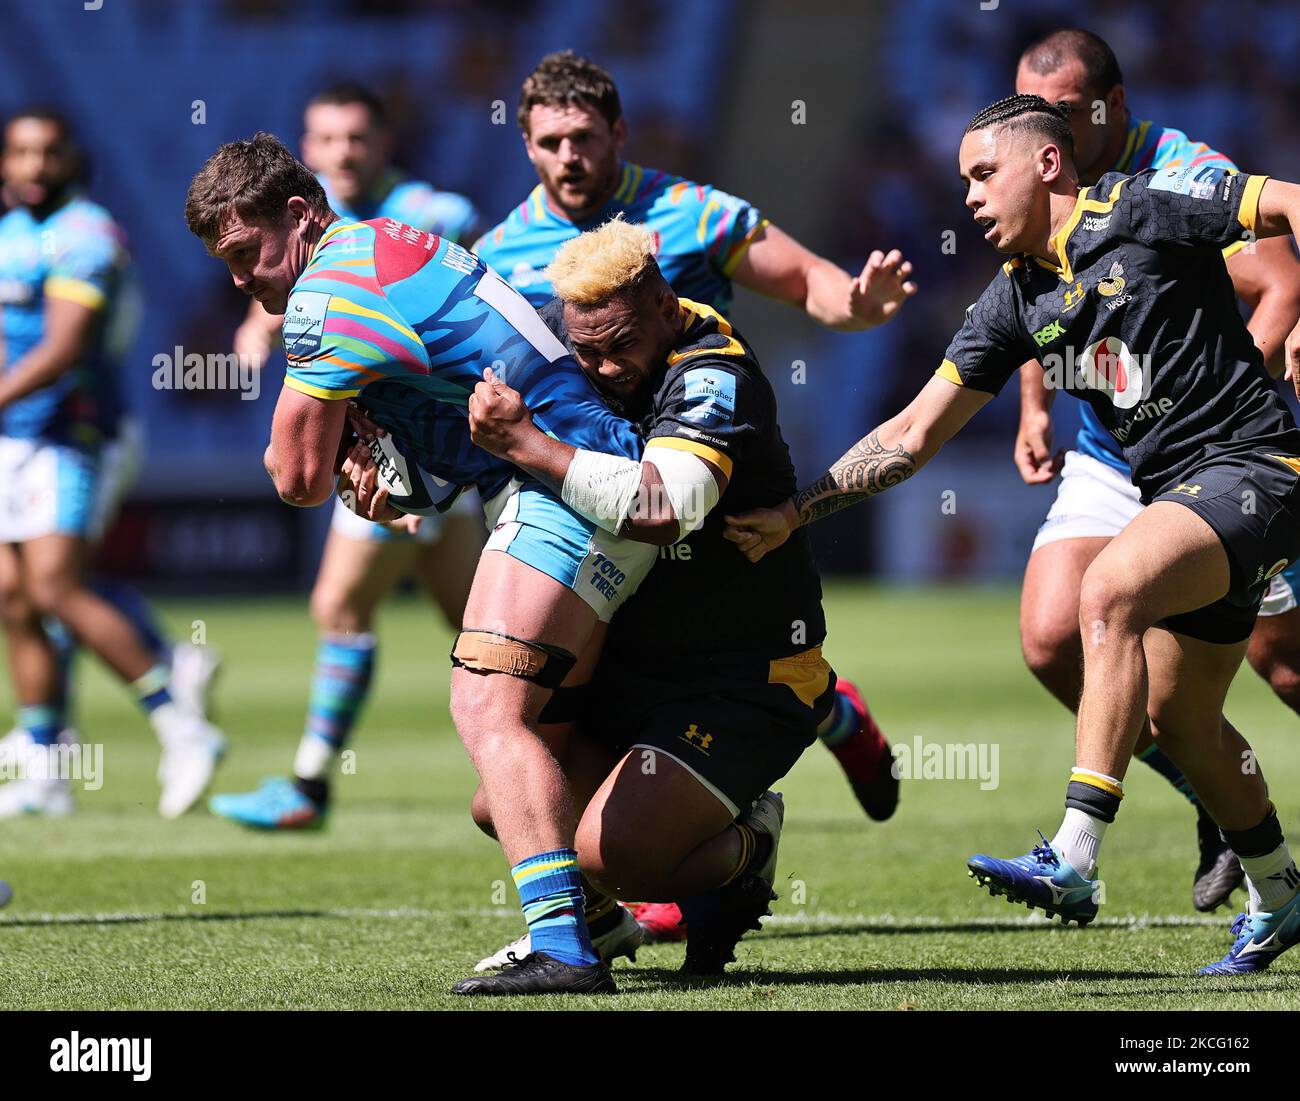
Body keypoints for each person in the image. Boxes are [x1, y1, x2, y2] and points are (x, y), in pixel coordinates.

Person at [724, 94, 1300, 976]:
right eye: (961, 181)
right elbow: (911, 434)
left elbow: (1289, 203)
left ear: (1048, 164)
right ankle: (1281, 897)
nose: (968, 197)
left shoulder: (1145, 205)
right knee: (1184, 722)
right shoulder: (1014, 301)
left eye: (982, 173)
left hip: (1258, 466)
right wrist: (798, 509)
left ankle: (1072, 852)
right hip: (1180, 495)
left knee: (1105, 591)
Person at [185, 132, 674, 995]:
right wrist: (399, 475)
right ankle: (694, 861)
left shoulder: (324, 294)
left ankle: (564, 946)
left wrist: (337, 454)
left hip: (561, 485)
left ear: (298, 216)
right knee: (520, 769)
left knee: (484, 704)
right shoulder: (383, 245)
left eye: (243, 251)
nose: (239, 279)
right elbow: (455, 402)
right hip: (592, 478)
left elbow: (294, 476)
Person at [474, 49, 913, 938]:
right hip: (609, 531)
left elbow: (806, 281)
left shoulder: (692, 214)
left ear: (618, 134)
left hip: (694, 467)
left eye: (584, 138)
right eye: (551, 141)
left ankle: (797, 734)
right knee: (509, 788)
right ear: (524, 146)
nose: (570, 157)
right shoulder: (499, 257)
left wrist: (854, 303)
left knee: (723, 613)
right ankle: (616, 893)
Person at [460, 216, 838, 978]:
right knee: (505, 798)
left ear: (666, 304)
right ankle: (594, 926)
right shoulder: (590, 352)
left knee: (611, 851)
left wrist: (526, 442)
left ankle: (749, 844)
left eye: (620, 343)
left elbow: (663, 510)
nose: (602, 367)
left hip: (744, 677)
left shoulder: (713, 373)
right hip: (636, 670)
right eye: (585, 348)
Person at [1011, 28, 1300, 912]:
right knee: (1053, 635)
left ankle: (1220, 819)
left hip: (1218, 446)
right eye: (1026, 113)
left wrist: (1220, 402)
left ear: (1112, 107)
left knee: (1285, 665)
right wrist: (1033, 402)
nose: (1036, 132)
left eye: (1055, 114)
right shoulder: (1029, 170)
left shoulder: (1177, 172)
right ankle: (1209, 805)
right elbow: (1028, 293)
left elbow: (1282, 282)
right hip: (1113, 452)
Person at [209, 84, 484, 831]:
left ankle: (310, 781)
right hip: (410, 447)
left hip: (422, 447)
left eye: (355, 138)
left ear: (384, 142)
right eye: (325, 140)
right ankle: (569, 747)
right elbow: (283, 291)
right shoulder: (296, 226)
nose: (341, 153)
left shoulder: (433, 213)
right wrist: (255, 329)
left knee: (340, 605)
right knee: (482, 626)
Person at [0, 106, 223, 818]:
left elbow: (65, 347)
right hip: (14, 438)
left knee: (58, 587)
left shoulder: (86, 235)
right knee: (14, 595)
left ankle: (180, 722)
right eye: (21, 153)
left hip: (75, 434)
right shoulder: (11, 234)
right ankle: (45, 761)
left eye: (48, 152)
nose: (34, 166)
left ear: (71, 158)